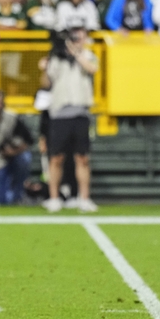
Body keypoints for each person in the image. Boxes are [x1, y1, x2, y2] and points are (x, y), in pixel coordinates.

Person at [41, 27, 98, 213]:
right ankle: (54, 198)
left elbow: (92, 69)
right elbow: (46, 83)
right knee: (56, 157)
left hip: (80, 112)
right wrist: (44, 67)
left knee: (82, 158)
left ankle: (84, 198)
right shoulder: (57, 57)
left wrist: (76, 53)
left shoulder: (88, 55)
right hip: (59, 113)